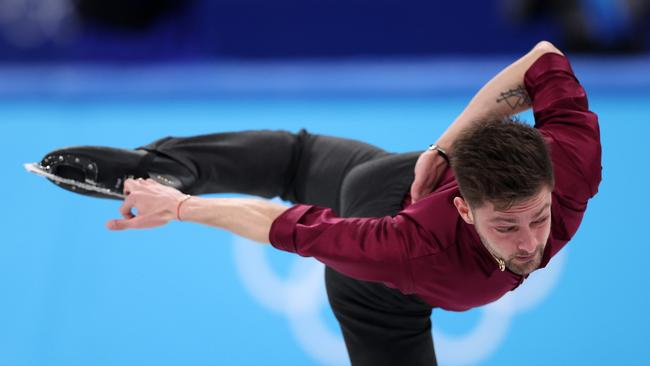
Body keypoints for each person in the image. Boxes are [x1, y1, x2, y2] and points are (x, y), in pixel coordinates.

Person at [36, 41, 601, 365]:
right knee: (300, 172)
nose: (530, 242)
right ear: (464, 210)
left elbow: (542, 59)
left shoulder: (571, 161)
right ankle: (160, 176)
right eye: (506, 227)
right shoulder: (410, 248)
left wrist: (445, 144)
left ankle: (172, 162)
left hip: (398, 174)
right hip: (380, 292)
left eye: (539, 217)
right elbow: (287, 227)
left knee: (297, 160)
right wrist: (180, 207)